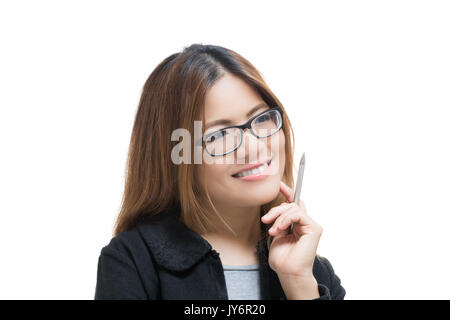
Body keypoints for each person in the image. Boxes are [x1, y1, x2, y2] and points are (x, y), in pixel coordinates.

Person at [94, 43, 346, 300]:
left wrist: (298, 284)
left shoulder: (312, 274)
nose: (253, 147)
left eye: (261, 118)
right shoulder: (131, 262)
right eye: (220, 134)